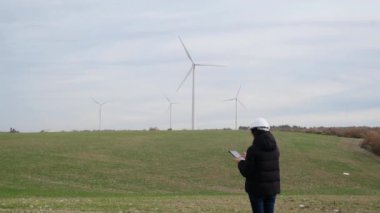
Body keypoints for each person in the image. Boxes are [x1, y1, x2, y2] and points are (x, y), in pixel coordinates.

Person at [234, 118, 280, 213]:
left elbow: (247, 171)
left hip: (257, 189)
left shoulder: (253, 149)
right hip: (272, 189)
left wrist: (240, 162)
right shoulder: (275, 148)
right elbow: (264, 161)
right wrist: (249, 157)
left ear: (255, 132)